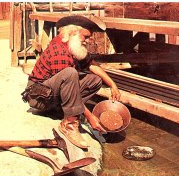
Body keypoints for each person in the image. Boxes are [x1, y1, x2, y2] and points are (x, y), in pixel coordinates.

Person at [23, 15, 121, 149]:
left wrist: (112, 85)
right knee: (70, 73)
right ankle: (69, 125)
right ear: (72, 33)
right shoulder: (59, 51)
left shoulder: (71, 44)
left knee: (95, 80)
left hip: (51, 94)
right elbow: (69, 87)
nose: (87, 41)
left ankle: (64, 111)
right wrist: (90, 117)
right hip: (39, 99)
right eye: (85, 37)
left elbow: (90, 63)